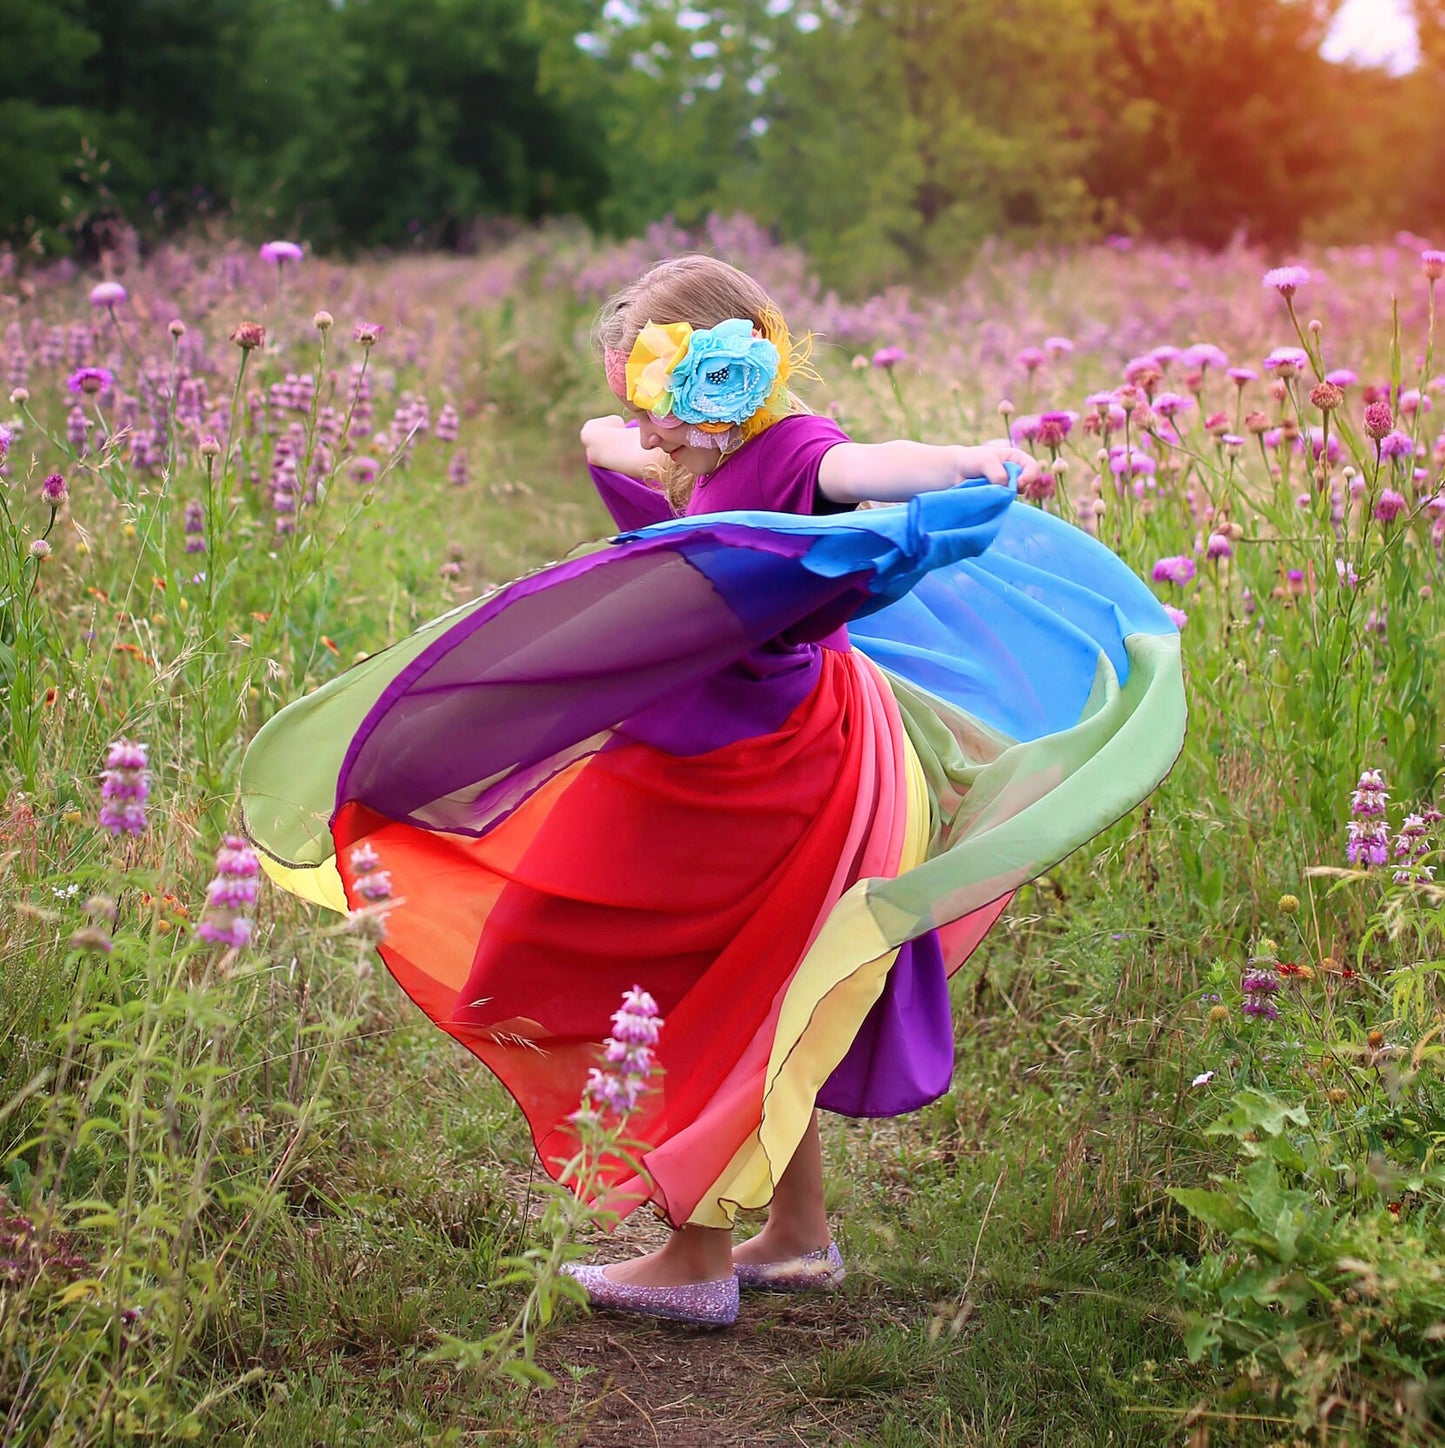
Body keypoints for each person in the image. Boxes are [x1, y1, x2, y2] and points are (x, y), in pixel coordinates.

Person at [240, 255, 1185, 1331]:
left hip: (758, 769)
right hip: (715, 744)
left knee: (667, 974)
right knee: (755, 979)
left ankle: (693, 1255)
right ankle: (797, 1231)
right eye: (631, 394)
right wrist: (629, 428)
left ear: (726, 375)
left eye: (657, 396)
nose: (641, 425)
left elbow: (868, 466)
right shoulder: (678, 452)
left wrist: (964, 457)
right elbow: (605, 444)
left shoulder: (793, 450)